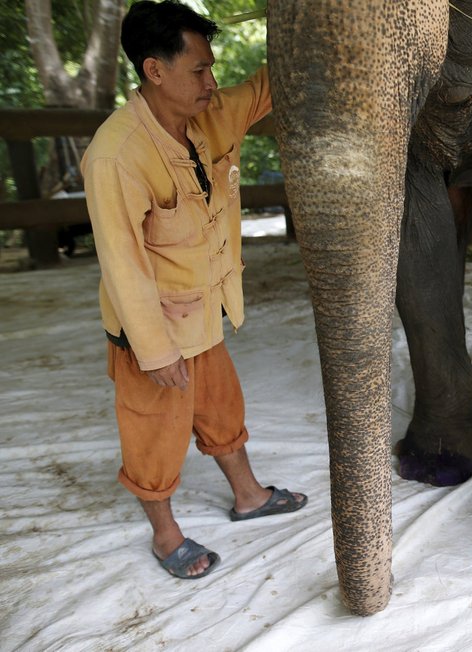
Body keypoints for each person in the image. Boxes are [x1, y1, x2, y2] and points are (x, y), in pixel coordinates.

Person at [82, 0, 306, 580]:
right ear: (154, 71)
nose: (212, 81)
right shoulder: (116, 155)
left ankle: (249, 496)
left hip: (203, 312)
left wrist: (309, 25)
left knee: (222, 407)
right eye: (199, 70)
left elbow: (263, 88)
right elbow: (123, 264)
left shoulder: (210, 115)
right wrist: (154, 352)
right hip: (152, 330)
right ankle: (165, 534)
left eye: (210, 68)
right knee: (155, 434)